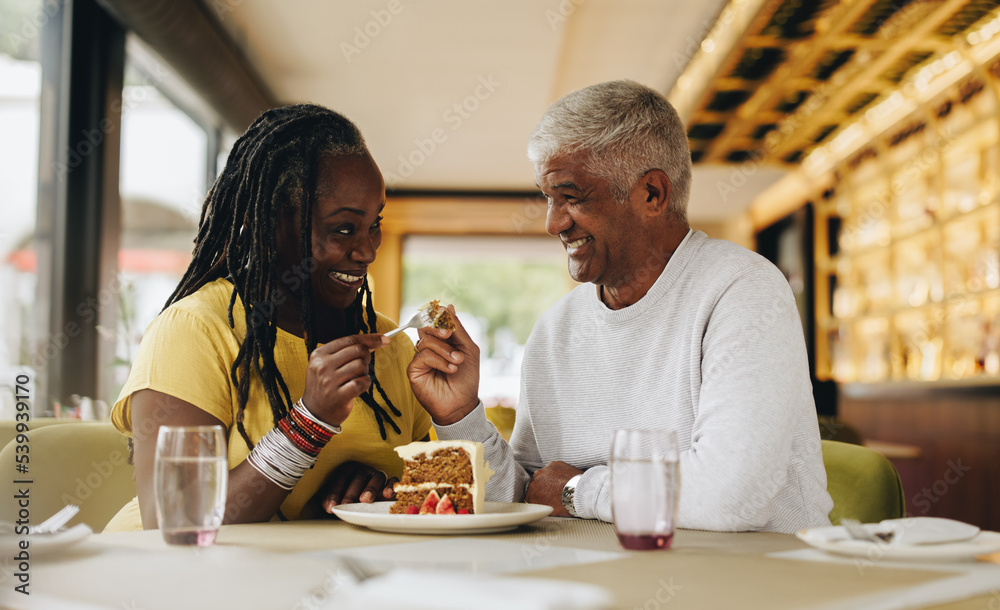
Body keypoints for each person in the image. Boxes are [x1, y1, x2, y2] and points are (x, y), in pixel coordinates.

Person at [410, 80, 833, 532]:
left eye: (571, 197)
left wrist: (578, 491)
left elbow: (728, 498)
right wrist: (459, 417)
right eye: (548, 198)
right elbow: (528, 496)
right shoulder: (555, 329)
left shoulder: (742, 290)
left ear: (652, 193)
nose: (554, 223)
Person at [105, 104, 452, 531]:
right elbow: (177, 521)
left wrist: (383, 489)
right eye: (344, 228)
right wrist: (310, 423)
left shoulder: (393, 346)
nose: (367, 250)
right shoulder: (195, 330)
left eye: (374, 224)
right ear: (267, 223)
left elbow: (425, 501)